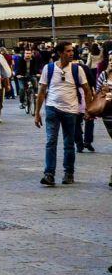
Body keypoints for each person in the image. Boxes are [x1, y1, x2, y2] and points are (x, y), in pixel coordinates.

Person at [34, 42, 93, 186]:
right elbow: (41, 92)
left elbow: (87, 90)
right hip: (52, 109)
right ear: (60, 53)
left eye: (71, 51)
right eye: (67, 51)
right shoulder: (49, 68)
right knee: (50, 142)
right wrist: (37, 113)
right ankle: (49, 174)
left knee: (68, 144)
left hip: (70, 111)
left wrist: (88, 109)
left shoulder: (77, 69)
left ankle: (68, 173)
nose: (71, 53)